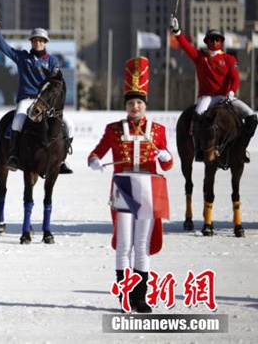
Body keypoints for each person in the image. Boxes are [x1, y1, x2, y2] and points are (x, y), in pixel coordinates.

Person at [87, 56, 173, 314]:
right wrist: (94, 162)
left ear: (145, 105)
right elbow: (95, 154)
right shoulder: (114, 129)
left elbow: (167, 165)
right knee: (125, 244)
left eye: (139, 102)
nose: (135, 106)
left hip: (149, 189)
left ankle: (141, 297)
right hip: (123, 188)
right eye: (131, 102)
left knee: (143, 246)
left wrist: (166, 158)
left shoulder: (157, 130)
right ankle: (125, 296)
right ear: (125, 105)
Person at [0, 11, 75, 173]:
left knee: (70, 125)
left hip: (46, 102)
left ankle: (62, 161)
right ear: (31, 42)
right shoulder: (22, 57)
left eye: (41, 41)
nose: (38, 43)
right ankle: (14, 157)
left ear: (45, 43)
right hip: (27, 100)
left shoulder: (52, 60)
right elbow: (3, 47)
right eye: (36, 40)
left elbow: (56, 80)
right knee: (16, 122)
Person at [169, 17, 257, 160]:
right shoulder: (200, 57)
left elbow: (235, 78)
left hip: (225, 96)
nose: (214, 42)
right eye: (211, 40)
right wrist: (177, 31)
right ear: (207, 42)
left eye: (217, 40)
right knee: (197, 113)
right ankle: (199, 149)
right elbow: (186, 46)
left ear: (221, 42)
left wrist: (231, 92)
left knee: (252, 116)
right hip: (207, 97)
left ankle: (241, 148)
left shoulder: (230, 59)